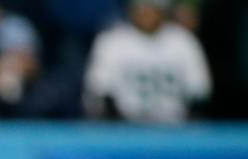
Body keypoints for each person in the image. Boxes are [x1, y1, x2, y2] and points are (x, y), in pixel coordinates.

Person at [83, 0, 211, 123]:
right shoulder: (112, 41)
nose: (147, 13)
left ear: (163, 10)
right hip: (125, 128)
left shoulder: (183, 41)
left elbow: (199, 93)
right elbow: (100, 92)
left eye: (152, 7)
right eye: (142, 7)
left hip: (175, 127)